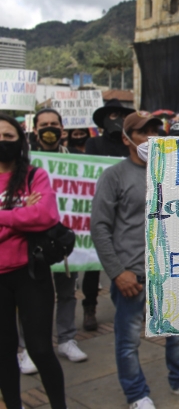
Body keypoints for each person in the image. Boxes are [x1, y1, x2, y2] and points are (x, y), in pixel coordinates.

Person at [91, 111, 179, 409]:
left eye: (157, 130)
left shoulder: (174, 171)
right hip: (132, 275)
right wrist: (118, 272)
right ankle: (136, 394)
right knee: (128, 340)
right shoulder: (114, 176)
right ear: (126, 139)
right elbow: (100, 227)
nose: (152, 137)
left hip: (174, 271)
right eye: (144, 132)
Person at [0, 113, 67, 409]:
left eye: (8, 137)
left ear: (20, 141)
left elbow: (45, 216)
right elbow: (31, 217)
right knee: (3, 352)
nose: (2, 142)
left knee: (41, 350)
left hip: (31, 274)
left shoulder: (34, 176)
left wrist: (4, 218)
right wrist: (21, 217)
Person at [25, 108, 88, 364]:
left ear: (62, 130)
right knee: (31, 296)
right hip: (32, 240)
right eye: (44, 124)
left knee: (67, 292)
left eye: (53, 124)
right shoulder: (24, 161)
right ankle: (28, 347)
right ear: (35, 129)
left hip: (65, 240)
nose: (49, 129)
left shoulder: (77, 159)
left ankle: (66, 340)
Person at [82, 99, 135, 331]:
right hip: (103, 206)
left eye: (122, 115)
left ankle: (135, 304)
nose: (118, 120)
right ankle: (89, 306)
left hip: (126, 212)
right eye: (113, 115)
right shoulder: (93, 144)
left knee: (131, 261)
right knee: (95, 264)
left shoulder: (129, 145)